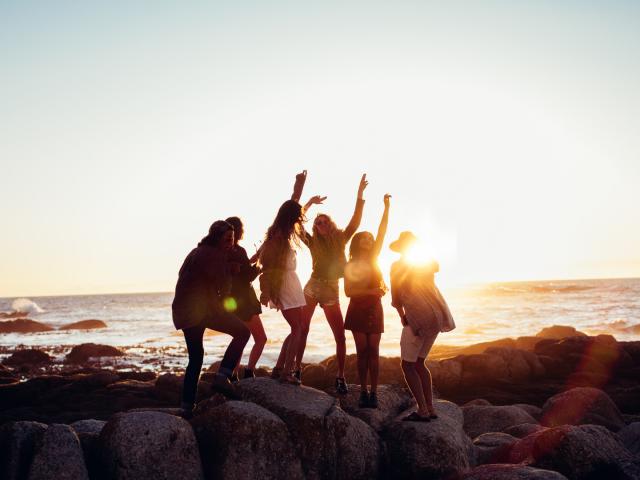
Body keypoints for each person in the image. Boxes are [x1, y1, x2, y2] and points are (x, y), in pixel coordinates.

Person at [296, 174, 368, 393]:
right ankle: (296, 369)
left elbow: (356, 220)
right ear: (315, 227)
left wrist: (359, 195)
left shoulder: (342, 238)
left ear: (330, 224)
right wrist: (307, 204)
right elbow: (297, 225)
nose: (321, 224)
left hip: (331, 289)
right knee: (302, 328)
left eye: (324, 221)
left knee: (339, 335)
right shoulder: (311, 242)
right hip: (312, 286)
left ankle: (340, 377)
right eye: (318, 223)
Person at [172, 220, 251, 417]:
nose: (230, 243)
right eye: (227, 239)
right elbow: (224, 289)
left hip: (183, 310)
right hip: (200, 310)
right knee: (243, 332)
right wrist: (230, 271)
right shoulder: (215, 255)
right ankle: (223, 376)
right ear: (217, 237)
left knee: (196, 357)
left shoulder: (196, 251)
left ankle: (186, 406)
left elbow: (184, 275)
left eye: (232, 239)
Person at [258, 170, 324, 385]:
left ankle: (279, 369)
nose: (300, 217)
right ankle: (286, 372)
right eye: (297, 215)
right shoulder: (280, 232)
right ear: (290, 217)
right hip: (285, 283)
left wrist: (306, 196)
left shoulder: (279, 229)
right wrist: (300, 186)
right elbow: (294, 203)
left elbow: (295, 206)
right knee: (298, 328)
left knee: (296, 328)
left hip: (288, 282)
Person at [389, 231, 456, 421]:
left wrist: (402, 316)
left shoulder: (397, 266)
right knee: (419, 363)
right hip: (436, 317)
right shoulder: (426, 263)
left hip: (418, 317)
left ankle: (423, 411)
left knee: (407, 365)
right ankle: (431, 408)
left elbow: (396, 296)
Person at [344, 193, 391, 408]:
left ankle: (374, 393)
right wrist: (372, 290)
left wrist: (386, 208)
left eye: (370, 240)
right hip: (358, 309)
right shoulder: (350, 264)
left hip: (374, 309)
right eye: (365, 238)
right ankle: (362, 391)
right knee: (362, 350)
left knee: (374, 350)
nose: (370, 241)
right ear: (358, 243)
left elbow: (382, 232)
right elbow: (348, 292)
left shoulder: (374, 259)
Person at [224, 216, 266, 380]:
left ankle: (233, 375)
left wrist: (255, 258)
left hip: (232, 302)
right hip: (245, 301)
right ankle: (248, 371)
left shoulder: (223, 252)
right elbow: (247, 276)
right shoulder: (238, 250)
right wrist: (259, 268)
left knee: (241, 337)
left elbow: (240, 271)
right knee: (261, 338)